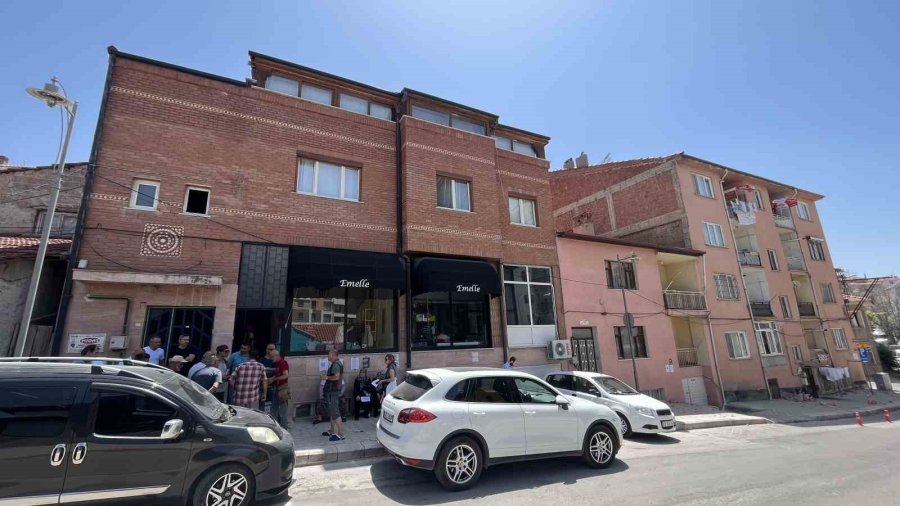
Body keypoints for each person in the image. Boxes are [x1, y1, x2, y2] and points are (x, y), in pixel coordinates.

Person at [321, 349, 345, 442]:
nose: (328, 356)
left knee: (335, 411)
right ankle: (332, 430)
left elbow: (336, 377)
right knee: (332, 411)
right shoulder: (335, 364)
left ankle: (341, 434)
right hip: (331, 391)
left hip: (333, 391)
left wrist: (326, 377)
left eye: (329, 354)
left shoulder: (336, 364)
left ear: (333, 355)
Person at [272, 351, 292, 428]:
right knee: (274, 407)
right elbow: (278, 374)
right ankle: (274, 425)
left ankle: (284, 427)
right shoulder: (277, 363)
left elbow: (285, 375)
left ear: (276, 355)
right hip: (277, 387)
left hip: (283, 388)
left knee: (283, 409)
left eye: (272, 357)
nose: (271, 359)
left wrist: (274, 379)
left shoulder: (283, 363)